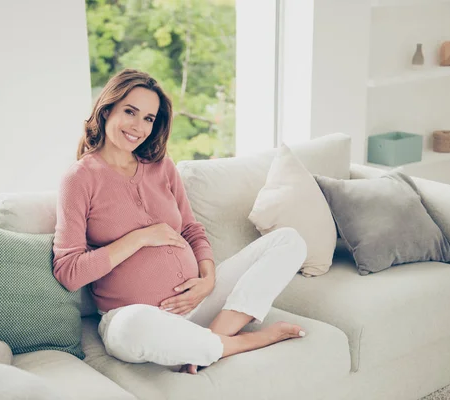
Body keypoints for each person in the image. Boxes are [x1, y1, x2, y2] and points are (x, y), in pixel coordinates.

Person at [52, 69, 308, 375]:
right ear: (106, 111)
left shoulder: (161, 166)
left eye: (149, 118)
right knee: (129, 331)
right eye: (130, 112)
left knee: (289, 240)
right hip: (139, 316)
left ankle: (210, 341)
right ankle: (244, 342)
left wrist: (208, 280)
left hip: (200, 303)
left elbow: (191, 230)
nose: (139, 127)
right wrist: (141, 237)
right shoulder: (79, 178)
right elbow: (68, 272)